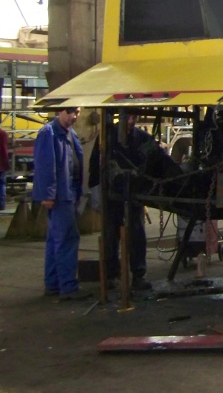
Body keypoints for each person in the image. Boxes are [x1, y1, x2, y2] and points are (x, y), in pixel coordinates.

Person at [89, 112, 157, 291]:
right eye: (128, 118)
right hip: (111, 195)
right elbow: (95, 163)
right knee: (110, 236)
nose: (131, 122)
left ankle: (139, 275)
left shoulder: (142, 139)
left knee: (137, 235)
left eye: (135, 118)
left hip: (134, 196)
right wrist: (94, 188)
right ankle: (111, 275)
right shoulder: (106, 137)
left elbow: (157, 161)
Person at [32, 107, 89, 300]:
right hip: (60, 195)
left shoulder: (69, 133)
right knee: (67, 239)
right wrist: (48, 195)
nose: (74, 116)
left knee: (55, 240)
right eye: (71, 112)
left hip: (69, 192)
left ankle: (53, 284)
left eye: (77, 112)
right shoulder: (48, 133)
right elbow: (45, 166)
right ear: (60, 112)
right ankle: (68, 287)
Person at [0, 126, 9, 210]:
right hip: (1, 165)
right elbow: (4, 149)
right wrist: (6, 163)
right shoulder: (3, 133)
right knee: (1, 185)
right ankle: (1, 205)